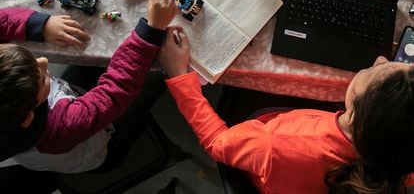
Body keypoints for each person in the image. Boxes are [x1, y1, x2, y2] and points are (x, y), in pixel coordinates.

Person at [159, 26, 414, 194]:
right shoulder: (402, 160)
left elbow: (217, 141)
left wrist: (179, 75)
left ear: (357, 113)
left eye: (372, 72)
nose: (381, 59)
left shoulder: (277, 144)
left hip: (269, 153)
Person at [0, 0, 178, 173]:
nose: (44, 61)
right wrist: (151, 31)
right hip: (97, 148)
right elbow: (115, 90)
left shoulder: (19, 112)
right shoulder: (63, 127)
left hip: (62, 107)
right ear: (28, 117)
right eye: (41, 77)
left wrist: (39, 25)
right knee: (157, 77)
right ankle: (121, 147)